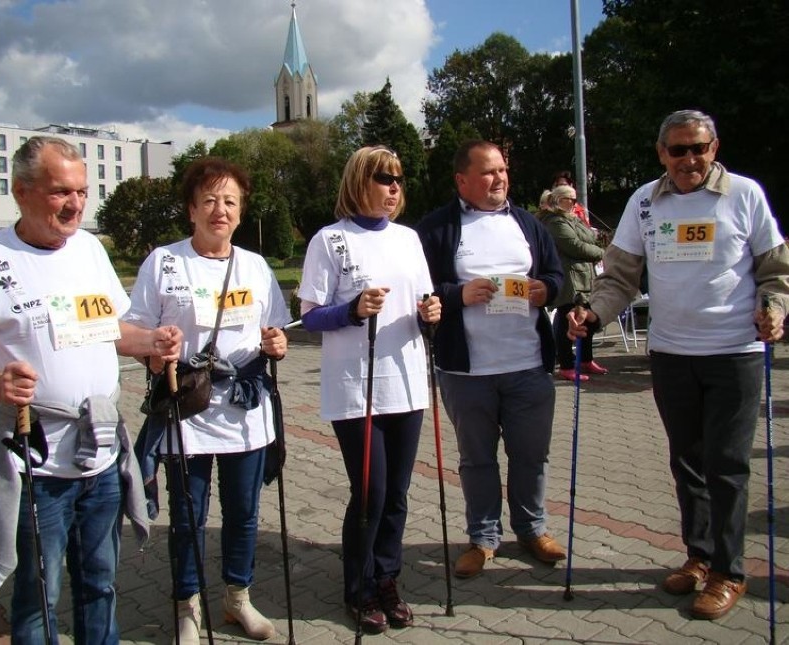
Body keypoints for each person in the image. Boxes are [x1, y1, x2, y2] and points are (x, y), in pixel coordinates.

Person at [0, 136, 182, 644]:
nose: (75, 205)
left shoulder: (89, 249)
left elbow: (114, 329)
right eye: (59, 193)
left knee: (101, 583)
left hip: (102, 457)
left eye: (82, 193)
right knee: (39, 595)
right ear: (21, 192)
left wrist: (155, 341)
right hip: (38, 464)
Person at [569, 109, 789, 620]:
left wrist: (775, 311)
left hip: (734, 353)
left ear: (714, 148)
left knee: (727, 466)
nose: (689, 159)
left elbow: (775, 271)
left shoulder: (745, 194)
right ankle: (700, 556)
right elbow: (620, 277)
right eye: (678, 150)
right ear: (661, 153)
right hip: (670, 354)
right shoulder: (644, 200)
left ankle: (730, 572)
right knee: (686, 462)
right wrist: (592, 314)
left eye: (699, 148)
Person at [126, 157, 290, 643]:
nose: (221, 210)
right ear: (192, 209)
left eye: (231, 201)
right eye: (211, 200)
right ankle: (187, 607)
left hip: (246, 412)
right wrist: (157, 352)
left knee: (243, 513)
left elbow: (273, 330)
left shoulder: (255, 267)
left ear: (240, 212)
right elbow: (134, 330)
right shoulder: (164, 261)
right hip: (186, 410)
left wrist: (276, 344)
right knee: (187, 517)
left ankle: (237, 598)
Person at [297, 145, 441, 634]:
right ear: (360, 180)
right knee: (371, 492)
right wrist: (353, 310)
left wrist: (431, 315)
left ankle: (387, 578)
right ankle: (357, 587)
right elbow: (311, 316)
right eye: (384, 177)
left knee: (397, 493)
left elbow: (424, 300)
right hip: (356, 387)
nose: (394, 186)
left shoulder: (408, 238)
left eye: (399, 178)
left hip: (406, 382)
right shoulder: (330, 240)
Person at [416, 140, 566, 580]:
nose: (498, 178)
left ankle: (532, 530)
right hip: (467, 371)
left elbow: (556, 275)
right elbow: (418, 290)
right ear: (462, 180)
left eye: (502, 169)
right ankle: (483, 538)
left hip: (528, 364)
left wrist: (547, 290)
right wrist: (456, 295)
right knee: (477, 459)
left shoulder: (528, 224)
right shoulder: (436, 228)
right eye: (488, 172)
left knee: (530, 455)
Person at [538, 183, 607, 381]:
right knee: (566, 316)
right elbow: (574, 246)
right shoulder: (555, 222)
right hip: (568, 276)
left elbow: (591, 238)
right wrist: (603, 253)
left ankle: (585, 359)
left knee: (586, 317)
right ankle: (567, 364)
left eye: (575, 199)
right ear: (559, 200)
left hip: (583, 274)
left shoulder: (573, 219)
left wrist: (594, 247)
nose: (576, 203)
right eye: (571, 199)